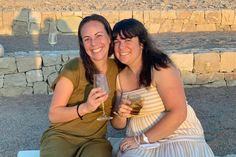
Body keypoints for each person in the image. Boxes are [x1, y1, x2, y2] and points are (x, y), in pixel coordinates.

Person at [111, 18, 214, 157]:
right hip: (138, 138)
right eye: (116, 41)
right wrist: (121, 115)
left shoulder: (160, 68)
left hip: (177, 134)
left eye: (127, 40)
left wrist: (141, 139)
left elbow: (178, 112)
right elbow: (118, 125)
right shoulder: (120, 77)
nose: (121, 47)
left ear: (142, 43)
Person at [40, 14, 118, 157]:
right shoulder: (74, 67)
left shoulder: (117, 69)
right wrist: (86, 108)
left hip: (95, 141)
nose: (93, 43)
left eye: (99, 35)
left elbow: (117, 120)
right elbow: (54, 115)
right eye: (87, 39)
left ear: (109, 37)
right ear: (82, 44)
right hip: (61, 136)